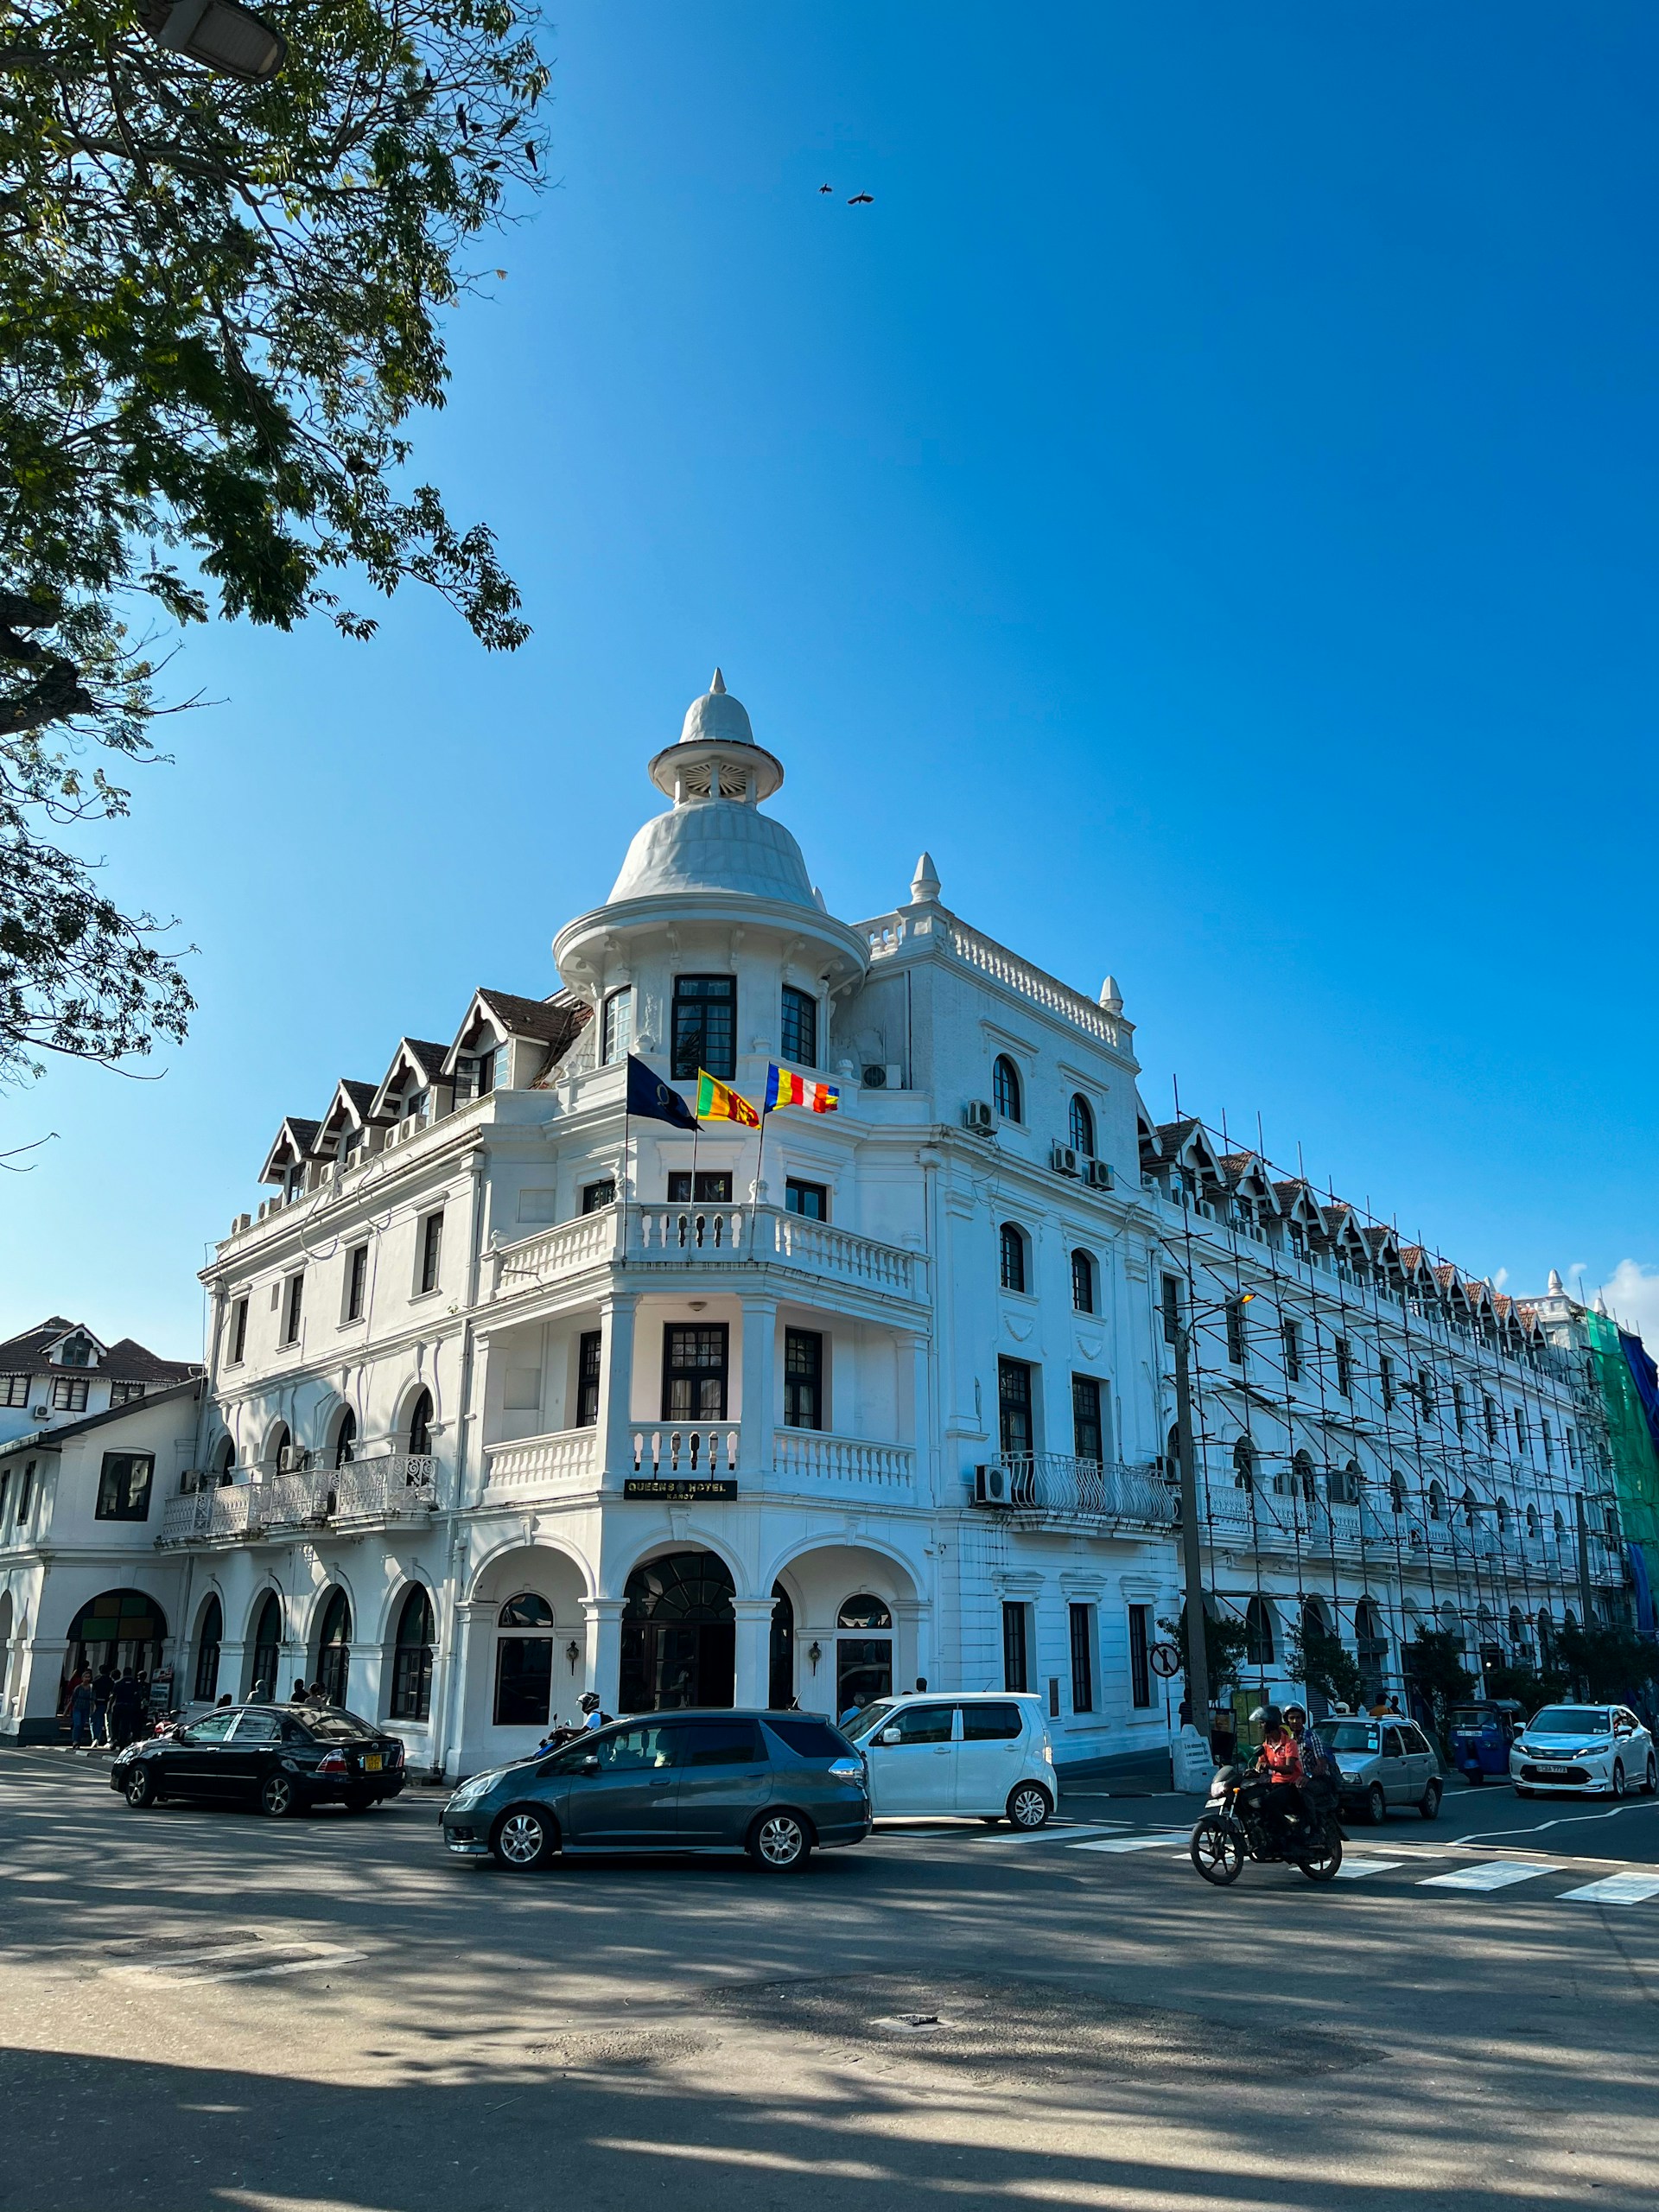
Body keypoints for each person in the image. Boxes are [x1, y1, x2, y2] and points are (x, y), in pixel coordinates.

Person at [1244, 1704, 1303, 1849]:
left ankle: (1287, 1831)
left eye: (1262, 1723)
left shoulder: (1290, 1744)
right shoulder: (1266, 1745)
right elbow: (1261, 1766)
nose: (1260, 1726)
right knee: (1252, 1798)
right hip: (1274, 1784)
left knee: (1268, 1802)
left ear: (1270, 1723)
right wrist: (1252, 1772)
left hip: (1291, 1786)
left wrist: (1269, 1767)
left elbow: (1289, 1769)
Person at [108, 1668, 143, 1751]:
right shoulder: (135, 1684)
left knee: (115, 1724)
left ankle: (115, 1738)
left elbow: (113, 1696)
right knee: (125, 1726)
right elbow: (139, 1696)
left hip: (119, 1706)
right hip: (130, 1707)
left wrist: (109, 1707)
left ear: (123, 1674)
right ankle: (123, 1743)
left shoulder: (119, 1683)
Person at [67, 1668, 95, 1750]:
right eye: (85, 1677)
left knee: (82, 1725)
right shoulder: (78, 1688)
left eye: (88, 1677)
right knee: (77, 1724)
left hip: (86, 1708)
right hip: (77, 1708)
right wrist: (66, 1711)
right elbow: (72, 1699)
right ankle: (75, 1741)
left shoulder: (91, 1688)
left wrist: (92, 1709)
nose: (87, 1678)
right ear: (82, 1678)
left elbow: (93, 1699)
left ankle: (78, 1740)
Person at [92, 1662, 116, 1747]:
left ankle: (96, 1738)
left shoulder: (96, 1680)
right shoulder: (110, 1681)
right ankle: (109, 1740)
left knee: (96, 1722)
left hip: (97, 1703)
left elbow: (93, 1692)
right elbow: (112, 1694)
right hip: (107, 1703)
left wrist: (93, 1702)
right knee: (107, 1723)